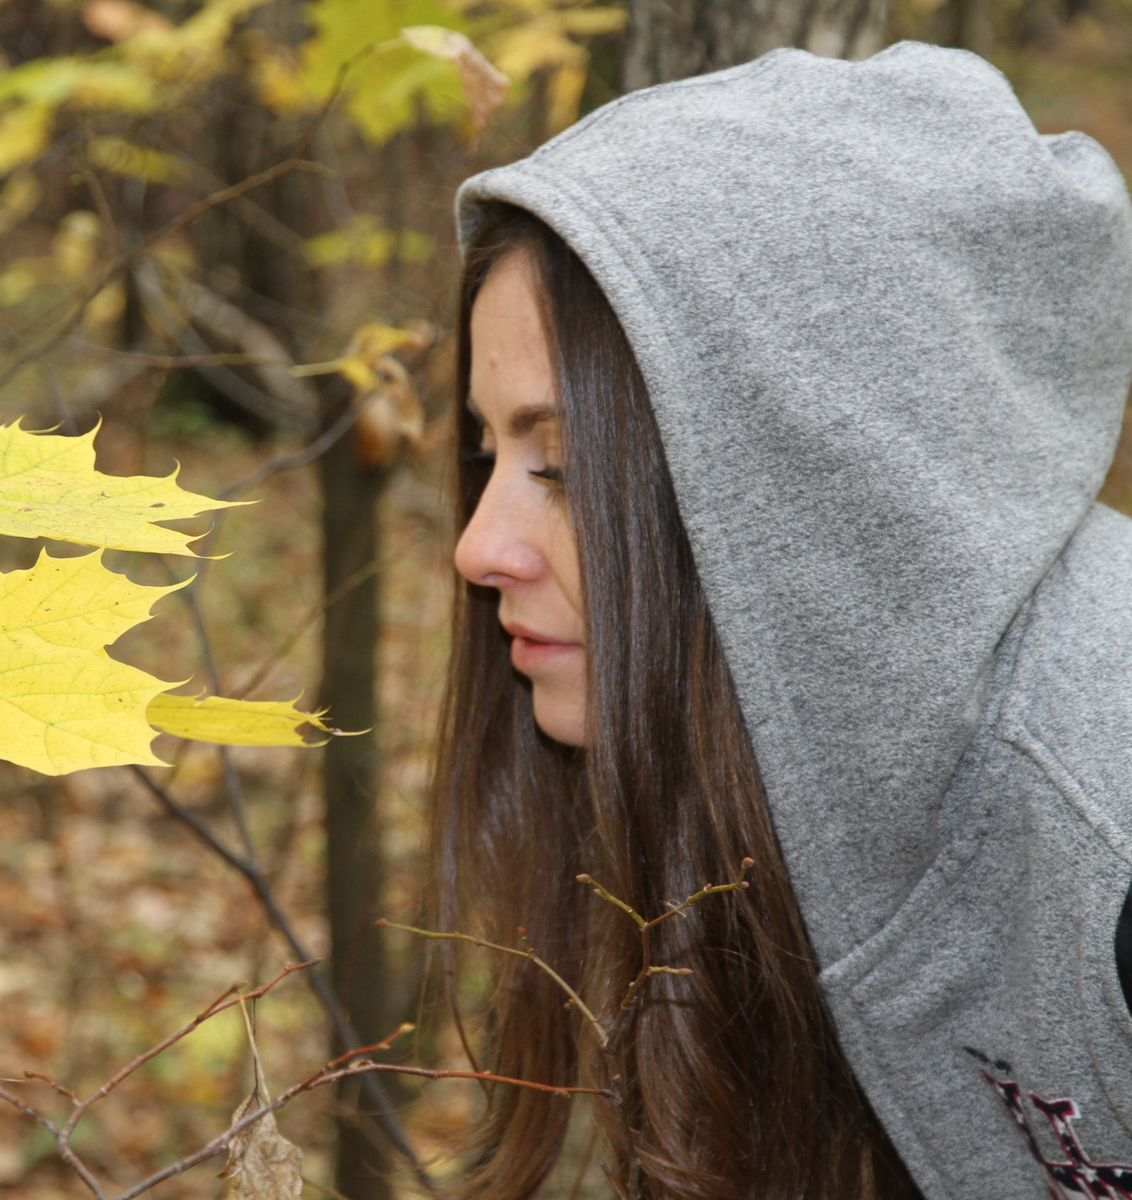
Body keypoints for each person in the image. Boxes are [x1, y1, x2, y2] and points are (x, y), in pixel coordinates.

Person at [435, 42, 1132, 1200]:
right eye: (485, 452)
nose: (477, 548)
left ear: (810, 479)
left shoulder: (1106, 808)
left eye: (560, 466)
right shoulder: (751, 794)